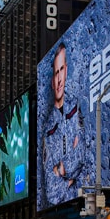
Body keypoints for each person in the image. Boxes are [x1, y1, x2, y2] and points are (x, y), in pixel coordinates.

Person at [41, 42, 85, 210]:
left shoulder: (77, 106)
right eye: (55, 73)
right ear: (52, 81)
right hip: (64, 208)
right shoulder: (48, 130)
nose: (59, 78)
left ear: (66, 71)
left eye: (61, 70)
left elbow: (80, 156)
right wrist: (68, 170)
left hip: (86, 198)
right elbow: (51, 192)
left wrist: (57, 169)